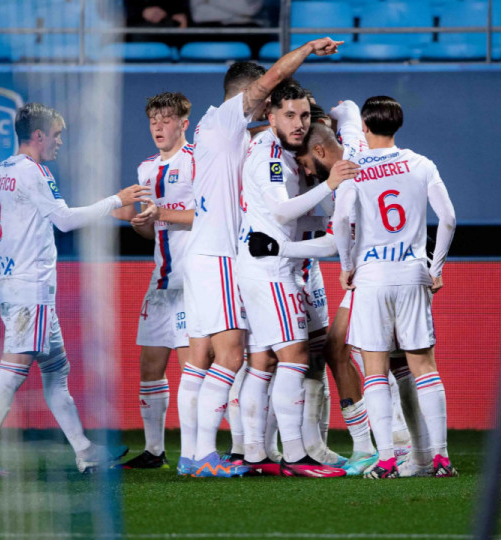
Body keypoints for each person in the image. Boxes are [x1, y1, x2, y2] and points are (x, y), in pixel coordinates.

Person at [0, 103, 150, 477]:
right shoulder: (35, 172)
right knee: (12, 371)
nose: (60, 141)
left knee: (56, 367)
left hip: (16, 287)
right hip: (31, 290)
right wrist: (117, 200)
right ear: (39, 135)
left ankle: (85, 451)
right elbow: (64, 220)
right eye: (57, 135)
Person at [180, 37, 342, 478]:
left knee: (242, 358)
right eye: (269, 103)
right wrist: (308, 49)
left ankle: (236, 452)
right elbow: (272, 81)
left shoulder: (229, 132)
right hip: (220, 254)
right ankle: (204, 456)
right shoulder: (230, 119)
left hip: (219, 252)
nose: (270, 106)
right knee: (233, 357)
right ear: (251, 98)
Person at [332, 96, 457, 479]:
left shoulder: (354, 169)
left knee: (375, 370)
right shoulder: (421, 164)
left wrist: (347, 266)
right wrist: (435, 268)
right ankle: (440, 458)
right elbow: (449, 218)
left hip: (372, 277)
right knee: (424, 368)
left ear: (365, 128)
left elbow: (341, 220)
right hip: (412, 272)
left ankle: (386, 459)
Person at [236, 79, 354, 477]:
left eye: (304, 115)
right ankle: (296, 455)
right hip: (271, 271)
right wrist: (331, 184)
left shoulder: (279, 151)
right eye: (289, 115)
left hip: (261, 266)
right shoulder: (269, 155)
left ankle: (255, 455)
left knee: (263, 360)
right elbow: (282, 211)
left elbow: (287, 217)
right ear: (271, 117)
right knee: (295, 357)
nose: (298, 123)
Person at [113, 93, 196, 469]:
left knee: (193, 369)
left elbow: (211, 215)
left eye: (166, 120)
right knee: (150, 366)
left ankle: (195, 452)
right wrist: (139, 221)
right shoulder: (146, 168)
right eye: (153, 121)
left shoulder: (196, 161)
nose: (158, 127)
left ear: (183, 123)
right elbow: (152, 230)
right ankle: (154, 451)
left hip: (193, 282)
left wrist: (161, 212)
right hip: (161, 280)